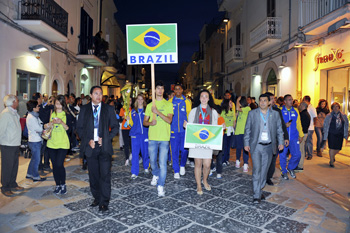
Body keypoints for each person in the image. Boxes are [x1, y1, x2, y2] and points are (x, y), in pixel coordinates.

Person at [77, 86, 118, 212]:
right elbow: (79, 128)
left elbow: (115, 127)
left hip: (104, 147)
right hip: (91, 147)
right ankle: (97, 197)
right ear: (90, 95)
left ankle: (104, 202)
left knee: (105, 175)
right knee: (93, 176)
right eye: (96, 93)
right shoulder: (84, 109)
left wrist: (106, 138)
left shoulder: (109, 109)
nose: (98, 96)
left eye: (100, 94)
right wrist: (88, 140)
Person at [244, 93, 284, 204]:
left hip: (269, 147)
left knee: (264, 172)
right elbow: (247, 129)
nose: (262, 102)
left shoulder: (275, 115)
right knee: (257, 170)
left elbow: (279, 130)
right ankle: (256, 195)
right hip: (256, 146)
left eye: (265, 100)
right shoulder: (252, 113)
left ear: (269, 102)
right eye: (260, 100)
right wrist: (246, 143)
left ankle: (259, 188)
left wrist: (280, 142)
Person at [184, 90, 219, 195]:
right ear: (199, 98)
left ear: (209, 98)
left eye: (206, 96)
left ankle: (205, 180)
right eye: (202, 96)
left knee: (207, 164)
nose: (204, 98)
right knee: (198, 163)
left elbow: (215, 128)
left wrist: (221, 128)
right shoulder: (194, 111)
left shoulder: (213, 112)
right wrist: (187, 126)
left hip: (208, 142)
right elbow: (190, 126)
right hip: (196, 142)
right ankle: (199, 185)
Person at [143, 80, 173, 197]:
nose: (160, 90)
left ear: (163, 90)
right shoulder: (150, 105)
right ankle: (155, 174)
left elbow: (169, 120)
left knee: (163, 163)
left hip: (165, 138)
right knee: (152, 161)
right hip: (153, 137)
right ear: (154, 90)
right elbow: (145, 122)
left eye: (162, 88)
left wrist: (158, 112)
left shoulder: (168, 104)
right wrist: (151, 123)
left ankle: (160, 185)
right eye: (158, 88)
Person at [45, 95, 74, 195]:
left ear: (63, 104)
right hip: (52, 142)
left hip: (62, 143)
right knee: (54, 166)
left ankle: (63, 184)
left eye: (59, 104)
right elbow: (45, 125)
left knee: (59, 164)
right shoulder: (51, 113)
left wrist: (61, 122)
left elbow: (69, 129)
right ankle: (57, 184)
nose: (57, 106)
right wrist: (50, 123)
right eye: (56, 104)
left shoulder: (67, 114)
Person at [0, 95, 24, 196]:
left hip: (14, 143)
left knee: (14, 166)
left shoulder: (14, 113)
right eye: (17, 100)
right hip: (7, 144)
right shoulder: (6, 114)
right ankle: (5, 187)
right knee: (7, 166)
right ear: (13, 102)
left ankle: (13, 183)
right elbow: (1, 130)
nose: (18, 102)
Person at [264, 92, 289, 186]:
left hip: (275, 139)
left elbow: (282, 123)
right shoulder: (261, 110)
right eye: (271, 98)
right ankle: (262, 176)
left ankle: (268, 177)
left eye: (274, 98)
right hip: (264, 140)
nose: (273, 100)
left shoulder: (277, 111)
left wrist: (286, 137)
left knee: (273, 160)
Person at [169, 84, 191, 178]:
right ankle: (176, 170)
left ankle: (182, 165)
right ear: (174, 91)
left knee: (184, 150)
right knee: (174, 151)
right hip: (173, 131)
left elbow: (190, 116)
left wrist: (189, 125)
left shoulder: (187, 102)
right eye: (176, 89)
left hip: (184, 131)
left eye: (179, 89)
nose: (177, 91)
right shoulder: (169, 102)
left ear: (182, 90)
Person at [279, 94, 304, 180]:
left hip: (294, 137)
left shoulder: (296, 111)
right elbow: (276, 124)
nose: (291, 101)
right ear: (285, 101)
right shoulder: (280, 110)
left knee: (297, 154)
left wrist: (301, 135)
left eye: (292, 99)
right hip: (283, 138)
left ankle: (290, 168)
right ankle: (284, 172)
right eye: (289, 100)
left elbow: (298, 124)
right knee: (282, 156)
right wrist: (284, 125)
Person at [128, 94, 150, 178]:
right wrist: (128, 121)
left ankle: (146, 167)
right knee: (135, 154)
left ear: (144, 101)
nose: (140, 101)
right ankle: (134, 172)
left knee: (145, 152)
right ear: (136, 101)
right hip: (135, 135)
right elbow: (130, 125)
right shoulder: (133, 111)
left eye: (141, 99)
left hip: (144, 134)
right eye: (138, 99)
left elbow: (149, 122)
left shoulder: (147, 110)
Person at [25, 100, 46, 182]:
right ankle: (35, 176)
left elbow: (40, 124)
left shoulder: (34, 116)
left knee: (34, 159)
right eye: (37, 106)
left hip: (35, 140)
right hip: (34, 141)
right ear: (33, 108)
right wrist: (42, 127)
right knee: (37, 159)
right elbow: (38, 128)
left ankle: (29, 174)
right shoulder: (31, 117)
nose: (39, 107)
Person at [323, 102, 348, 167]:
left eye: (337, 106)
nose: (335, 108)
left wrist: (346, 134)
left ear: (339, 107)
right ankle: (331, 162)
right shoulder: (329, 115)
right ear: (332, 108)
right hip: (331, 133)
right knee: (331, 147)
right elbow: (325, 125)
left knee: (338, 148)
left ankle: (332, 156)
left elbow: (346, 125)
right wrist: (325, 133)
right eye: (334, 107)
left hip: (340, 134)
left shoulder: (343, 115)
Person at [235, 96, 251, 172]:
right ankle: (237, 161)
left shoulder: (247, 109)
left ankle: (245, 164)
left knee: (245, 149)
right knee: (238, 147)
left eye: (239, 102)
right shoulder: (240, 110)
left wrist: (237, 100)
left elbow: (238, 108)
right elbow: (236, 116)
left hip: (245, 132)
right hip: (238, 131)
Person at [295, 102, 311, 171]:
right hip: (304, 133)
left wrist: (299, 135)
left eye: (300, 105)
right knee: (301, 149)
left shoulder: (303, 114)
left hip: (302, 134)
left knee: (301, 150)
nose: (299, 106)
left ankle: (300, 166)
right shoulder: (306, 114)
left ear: (303, 106)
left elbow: (301, 126)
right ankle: (299, 164)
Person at [221, 99, 236, 166]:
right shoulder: (223, 112)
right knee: (224, 146)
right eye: (230, 103)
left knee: (229, 146)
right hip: (225, 131)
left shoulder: (232, 111)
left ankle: (227, 159)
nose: (232, 104)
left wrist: (234, 128)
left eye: (232, 103)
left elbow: (234, 121)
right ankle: (223, 160)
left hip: (231, 130)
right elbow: (221, 121)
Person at [303, 95, 317, 160]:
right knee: (305, 141)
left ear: (306, 100)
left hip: (310, 127)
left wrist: (314, 125)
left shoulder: (312, 108)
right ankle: (305, 153)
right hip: (306, 127)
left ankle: (310, 154)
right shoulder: (306, 107)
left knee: (309, 141)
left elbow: (315, 117)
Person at [119, 100, 132, 166]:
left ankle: (132, 154)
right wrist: (123, 117)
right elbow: (120, 119)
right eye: (127, 100)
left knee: (131, 143)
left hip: (131, 128)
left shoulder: (132, 109)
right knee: (126, 144)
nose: (129, 101)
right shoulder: (122, 109)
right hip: (124, 129)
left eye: (130, 100)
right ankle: (127, 159)